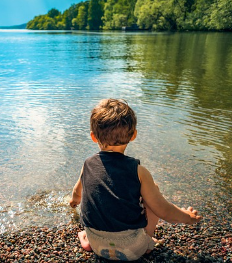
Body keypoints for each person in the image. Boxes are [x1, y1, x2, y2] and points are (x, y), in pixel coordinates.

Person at [69, 99, 202, 261]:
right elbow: (164, 211)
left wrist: (73, 203)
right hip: (132, 249)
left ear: (93, 137)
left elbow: (77, 193)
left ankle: (86, 239)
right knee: (153, 191)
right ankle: (147, 242)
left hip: (97, 245)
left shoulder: (88, 164)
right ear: (133, 135)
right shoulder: (138, 171)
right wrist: (188, 217)